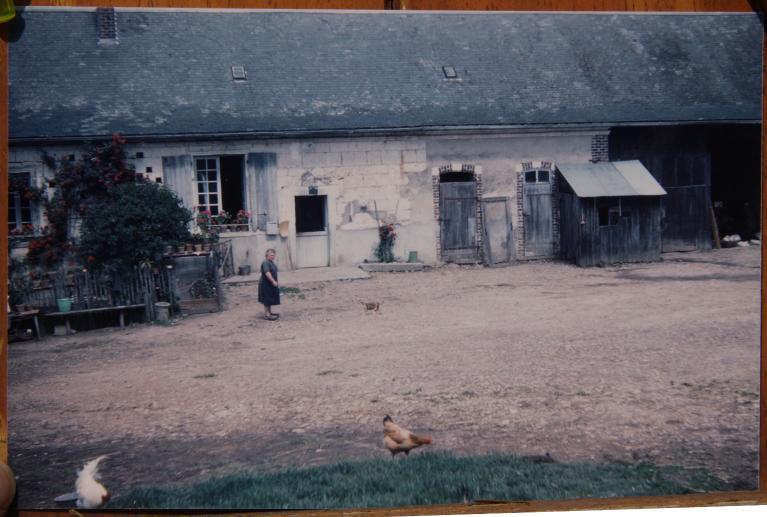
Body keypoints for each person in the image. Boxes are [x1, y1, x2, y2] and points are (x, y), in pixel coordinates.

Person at [258, 248, 280, 320]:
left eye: (273, 255)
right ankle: (267, 315)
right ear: (266, 255)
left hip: (269, 283)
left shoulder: (271, 262)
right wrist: (273, 281)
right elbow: (267, 273)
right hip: (265, 283)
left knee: (269, 298)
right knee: (267, 299)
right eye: (271, 255)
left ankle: (269, 312)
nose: (273, 256)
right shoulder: (265, 263)